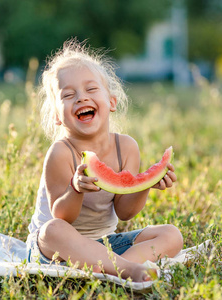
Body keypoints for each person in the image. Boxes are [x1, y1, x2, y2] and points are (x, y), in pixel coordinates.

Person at [27, 39, 183, 282]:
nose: (81, 98)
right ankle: (126, 269)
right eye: (68, 95)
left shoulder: (126, 147)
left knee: (172, 235)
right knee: (51, 231)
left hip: (105, 243)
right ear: (57, 116)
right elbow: (62, 216)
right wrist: (75, 188)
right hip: (55, 249)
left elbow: (125, 212)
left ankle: (111, 266)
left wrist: (146, 185)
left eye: (91, 90)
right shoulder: (61, 152)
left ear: (111, 101)